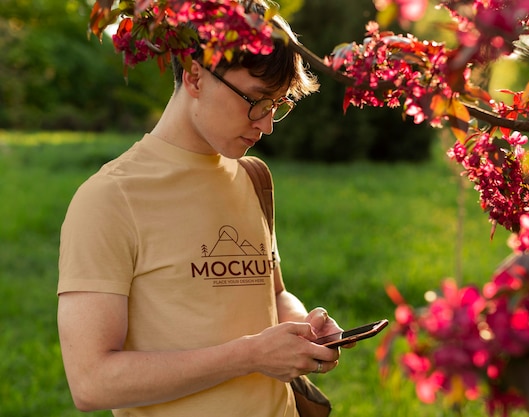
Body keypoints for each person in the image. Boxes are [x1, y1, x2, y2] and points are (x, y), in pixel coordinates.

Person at [57, 2, 346, 416]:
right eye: (257, 101)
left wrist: (305, 329)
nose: (265, 124)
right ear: (195, 75)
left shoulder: (253, 177)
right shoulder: (110, 198)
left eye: (277, 106)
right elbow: (91, 382)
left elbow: (273, 294)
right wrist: (249, 356)